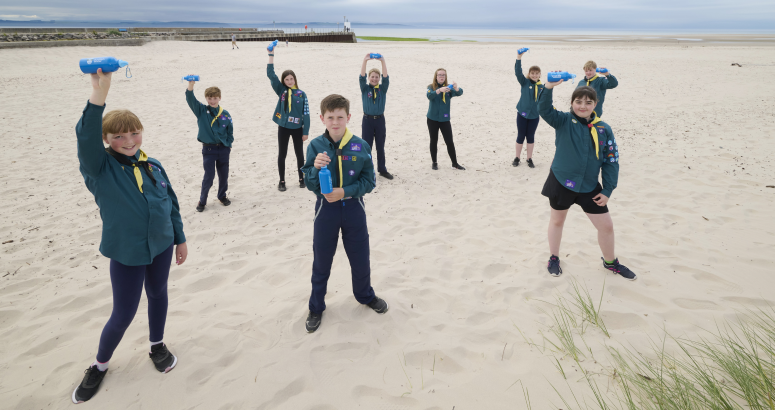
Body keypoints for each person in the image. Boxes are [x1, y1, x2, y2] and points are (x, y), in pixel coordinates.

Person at [71, 68, 188, 403]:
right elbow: (85, 138)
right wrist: (99, 96)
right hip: (126, 251)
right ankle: (99, 364)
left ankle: (157, 344)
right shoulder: (100, 169)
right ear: (107, 140)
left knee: (159, 294)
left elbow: (172, 203)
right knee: (123, 312)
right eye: (119, 136)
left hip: (162, 246)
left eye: (134, 133)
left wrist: (179, 238)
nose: (129, 141)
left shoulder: (153, 165)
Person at [301, 94, 389, 333]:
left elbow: (369, 182)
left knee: (360, 257)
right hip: (325, 212)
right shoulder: (315, 146)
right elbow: (308, 181)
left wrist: (345, 192)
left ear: (348, 117)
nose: (336, 122)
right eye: (330, 117)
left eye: (340, 117)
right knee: (322, 261)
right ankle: (316, 306)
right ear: (322, 118)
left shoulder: (361, 145)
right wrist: (315, 169)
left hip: (353, 210)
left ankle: (365, 295)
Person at [538, 78, 636, 281]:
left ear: (595, 104)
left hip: (590, 185)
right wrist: (548, 87)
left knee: (606, 226)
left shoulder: (603, 129)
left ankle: (610, 262)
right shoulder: (563, 120)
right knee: (557, 221)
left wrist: (608, 189)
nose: (583, 106)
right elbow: (544, 109)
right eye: (578, 101)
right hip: (561, 181)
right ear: (572, 103)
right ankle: (554, 257)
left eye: (588, 102)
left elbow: (611, 160)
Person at [267, 44, 310, 191]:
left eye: (291, 79)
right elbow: (271, 75)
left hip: (298, 129)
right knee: (282, 154)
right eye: (287, 79)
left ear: (295, 79)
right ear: (284, 81)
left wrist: (306, 132)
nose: (290, 81)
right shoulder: (282, 91)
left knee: (300, 155)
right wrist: (271, 55)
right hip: (284, 128)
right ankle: (282, 181)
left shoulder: (302, 94)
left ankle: (301, 178)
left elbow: (306, 114)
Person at [186, 82, 234, 212]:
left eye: (215, 98)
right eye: (209, 98)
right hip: (209, 149)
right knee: (209, 175)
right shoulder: (201, 110)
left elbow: (230, 131)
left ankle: (222, 196)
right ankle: (202, 200)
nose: (212, 101)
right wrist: (191, 85)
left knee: (223, 174)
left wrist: (228, 144)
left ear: (219, 98)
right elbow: (190, 99)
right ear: (206, 98)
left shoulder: (225, 113)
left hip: (223, 148)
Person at [359, 53, 393, 179]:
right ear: (369, 78)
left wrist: (382, 61)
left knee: (380, 146)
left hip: (380, 120)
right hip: (367, 120)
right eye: (372, 77)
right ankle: (367, 171)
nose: (374, 79)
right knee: (366, 147)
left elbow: (386, 77)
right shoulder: (365, 88)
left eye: (376, 77)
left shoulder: (382, 89)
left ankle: (382, 170)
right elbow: (361, 77)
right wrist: (365, 60)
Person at [426, 68, 465, 170]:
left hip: (444, 119)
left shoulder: (449, 88)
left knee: (449, 141)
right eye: (439, 75)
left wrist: (456, 88)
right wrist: (439, 90)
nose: (442, 76)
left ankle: (454, 163)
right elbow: (429, 96)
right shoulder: (431, 87)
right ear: (436, 76)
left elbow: (460, 93)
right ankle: (434, 162)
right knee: (434, 140)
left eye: (443, 75)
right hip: (432, 119)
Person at [513, 48, 543, 168]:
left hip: (534, 116)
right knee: (521, 135)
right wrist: (519, 57)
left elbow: (546, 101)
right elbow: (517, 72)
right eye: (532, 73)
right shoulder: (524, 82)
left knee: (530, 136)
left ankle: (529, 158)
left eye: (537, 73)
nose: (534, 75)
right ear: (529, 74)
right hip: (522, 114)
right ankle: (517, 157)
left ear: (540, 74)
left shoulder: (542, 87)